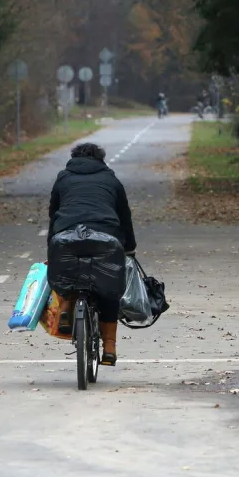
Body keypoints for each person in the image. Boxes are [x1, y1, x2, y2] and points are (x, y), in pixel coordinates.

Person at [46, 142, 136, 365]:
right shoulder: (111, 180)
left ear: (73, 158)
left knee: (66, 273)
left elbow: (54, 214)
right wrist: (130, 247)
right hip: (106, 238)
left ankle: (66, 307)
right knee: (108, 289)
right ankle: (110, 348)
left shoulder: (63, 178)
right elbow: (124, 217)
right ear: (101, 159)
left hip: (66, 237)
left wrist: (51, 245)